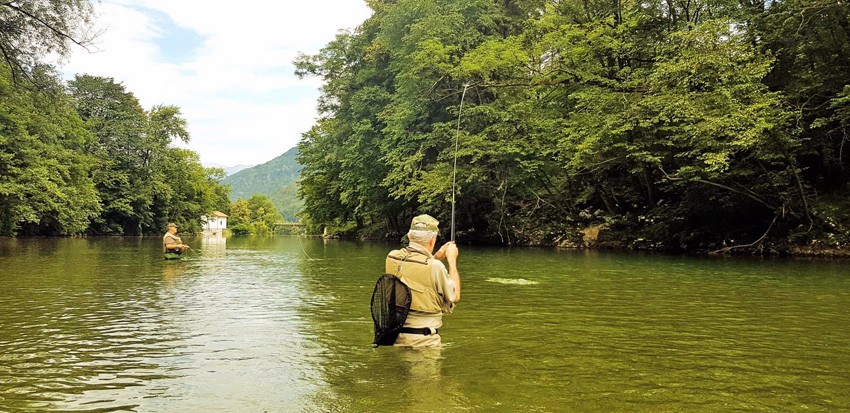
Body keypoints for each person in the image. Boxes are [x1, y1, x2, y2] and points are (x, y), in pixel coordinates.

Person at [385, 214, 461, 348]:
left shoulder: (392, 257)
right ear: (433, 239)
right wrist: (452, 261)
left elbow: (416, 269)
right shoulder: (435, 267)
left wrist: (435, 257)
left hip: (394, 336)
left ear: (409, 236)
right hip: (423, 341)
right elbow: (454, 296)